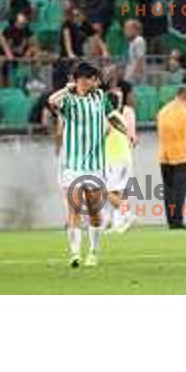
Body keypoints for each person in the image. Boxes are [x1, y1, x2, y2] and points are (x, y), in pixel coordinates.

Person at [47, 61, 124, 268]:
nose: (96, 82)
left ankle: (93, 251)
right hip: (72, 165)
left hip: (95, 165)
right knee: (73, 209)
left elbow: (113, 117)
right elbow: (51, 101)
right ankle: (74, 254)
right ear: (82, 79)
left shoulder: (100, 97)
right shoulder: (69, 101)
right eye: (93, 78)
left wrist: (128, 133)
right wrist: (68, 87)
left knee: (93, 210)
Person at [157, 84, 186, 229]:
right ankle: (178, 221)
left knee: (168, 192)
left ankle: (171, 220)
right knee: (180, 192)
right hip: (182, 157)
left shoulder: (163, 111)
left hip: (165, 157)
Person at [104, 88, 137, 233]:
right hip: (124, 157)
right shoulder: (120, 116)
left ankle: (127, 214)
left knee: (106, 191)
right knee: (117, 192)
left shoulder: (108, 118)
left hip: (114, 158)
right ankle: (118, 224)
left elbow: (103, 134)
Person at [123, 20, 146, 85]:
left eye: (127, 29)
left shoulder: (139, 40)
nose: (125, 32)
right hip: (130, 74)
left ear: (134, 30)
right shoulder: (132, 42)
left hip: (135, 76)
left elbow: (140, 58)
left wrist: (138, 73)